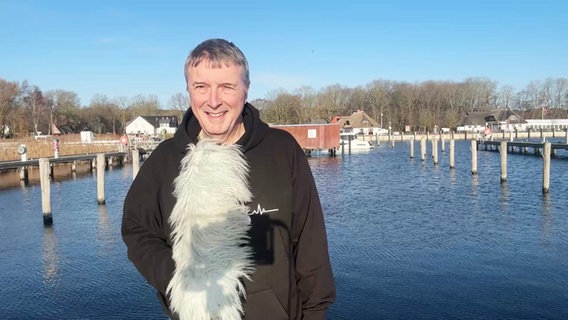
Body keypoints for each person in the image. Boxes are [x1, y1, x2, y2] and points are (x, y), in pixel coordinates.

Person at [122, 38, 336, 320]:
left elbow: (310, 244)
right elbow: (137, 230)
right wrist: (179, 282)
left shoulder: (282, 150)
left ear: (246, 90)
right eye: (201, 87)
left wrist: (315, 312)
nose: (213, 101)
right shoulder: (165, 159)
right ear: (188, 90)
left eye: (226, 87)